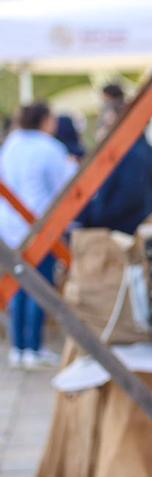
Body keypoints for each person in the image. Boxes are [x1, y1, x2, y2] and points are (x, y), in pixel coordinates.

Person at [0, 102, 75, 369]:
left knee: (18, 286)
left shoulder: (11, 144)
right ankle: (33, 346)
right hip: (40, 226)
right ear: (44, 120)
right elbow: (64, 186)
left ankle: (19, 347)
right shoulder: (49, 147)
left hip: (9, 227)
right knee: (38, 287)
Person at [79, 99, 152, 235]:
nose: (104, 130)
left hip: (123, 232)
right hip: (127, 228)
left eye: (108, 125)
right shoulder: (140, 149)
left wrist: (94, 218)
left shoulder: (132, 153)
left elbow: (128, 198)